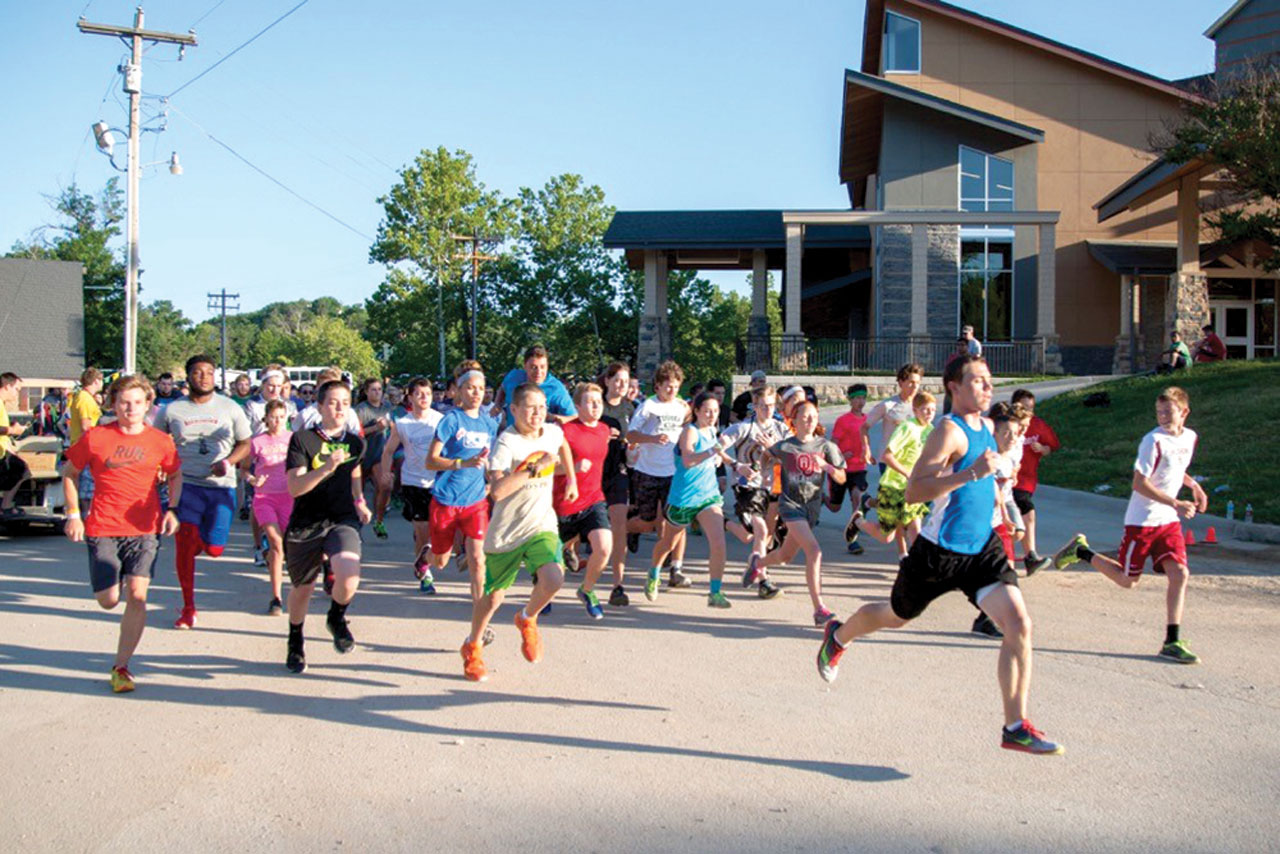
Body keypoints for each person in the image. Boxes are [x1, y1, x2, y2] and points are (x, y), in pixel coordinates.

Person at [815, 354, 1064, 756]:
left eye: (988, 380)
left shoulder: (987, 426)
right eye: (978, 381)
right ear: (955, 387)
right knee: (894, 617)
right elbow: (916, 490)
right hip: (937, 552)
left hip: (982, 548)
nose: (987, 386)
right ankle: (838, 636)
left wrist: (1002, 496)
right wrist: (970, 474)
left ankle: (1015, 725)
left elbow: (994, 474)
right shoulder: (948, 431)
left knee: (1020, 624)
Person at [1051, 386, 1207, 665]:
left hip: (1167, 522)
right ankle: (1081, 551)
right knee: (1127, 580)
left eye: (1168, 412)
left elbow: (1176, 468)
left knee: (1180, 573)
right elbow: (1139, 483)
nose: (1162, 416)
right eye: (1159, 411)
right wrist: (1175, 503)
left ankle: (1172, 640)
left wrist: (1194, 486)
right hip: (1142, 521)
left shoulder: (1190, 437)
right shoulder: (1152, 441)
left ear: (1184, 412)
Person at [62, 375, 183, 693]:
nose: (130, 408)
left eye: (137, 403)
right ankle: (109, 586)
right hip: (103, 527)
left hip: (144, 530)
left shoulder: (160, 440)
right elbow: (70, 473)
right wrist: (74, 515)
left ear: (148, 405)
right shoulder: (97, 437)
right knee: (108, 600)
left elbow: (175, 474)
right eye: (124, 402)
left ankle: (122, 666)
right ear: (113, 404)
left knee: (138, 596)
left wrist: (172, 509)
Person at [461, 382, 575, 682]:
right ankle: (472, 646)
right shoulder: (507, 443)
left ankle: (527, 618)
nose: (537, 414)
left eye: (541, 408)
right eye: (529, 408)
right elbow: (498, 492)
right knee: (493, 599)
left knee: (554, 578)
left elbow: (562, 446)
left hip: (541, 525)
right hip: (506, 532)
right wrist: (536, 469)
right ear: (514, 410)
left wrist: (572, 478)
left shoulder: (551, 432)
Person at [282, 380, 372, 673]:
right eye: (333, 402)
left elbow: (355, 470)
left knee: (348, 576)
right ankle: (295, 639)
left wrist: (359, 500)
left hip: (341, 519)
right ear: (320, 406)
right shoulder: (302, 440)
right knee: (303, 589)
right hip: (306, 522)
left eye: (345, 402)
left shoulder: (356, 442)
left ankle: (336, 616)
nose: (339, 408)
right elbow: (295, 487)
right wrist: (325, 468)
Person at [159, 354, 252, 629]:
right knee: (184, 546)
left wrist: (229, 462)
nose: (204, 377)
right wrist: (162, 466)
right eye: (198, 372)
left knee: (214, 548)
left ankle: (201, 541)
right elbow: (158, 441)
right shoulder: (172, 410)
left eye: (209, 372)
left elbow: (246, 443)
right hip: (186, 485)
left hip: (221, 487)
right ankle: (188, 607)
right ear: (188, 377)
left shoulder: (230, 407)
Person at [749, 400, 846, 623]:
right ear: (794, 420)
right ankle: (819, 608)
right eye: (805, 416)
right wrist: (763, 469)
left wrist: (827, 467)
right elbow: (767, 455)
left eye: (814, 416)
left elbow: (842, 477)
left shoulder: (826, 447)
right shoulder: (786, 446)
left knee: (785, 556)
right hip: (790, 506)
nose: (810, 421)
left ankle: (757, 564)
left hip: (811, 508)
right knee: (814, 551)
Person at [650, 391, 737, 607]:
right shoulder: (690, 431)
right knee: (668, 543)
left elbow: (718, 453)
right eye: (707, 410)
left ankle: (714, 592)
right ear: (696, 411)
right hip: (684, 498)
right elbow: (688, 460)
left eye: (716, 411)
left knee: (718, 541)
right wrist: (714, 450)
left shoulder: (712, 430)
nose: (711, 415)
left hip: (708, 496)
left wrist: (736, 465)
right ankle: (653, 573)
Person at [427, 363, 499, 620]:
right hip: (446, 499)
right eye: (470, 388)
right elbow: (431, 460)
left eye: (481, 388)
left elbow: (487, 460)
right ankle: (425, 556)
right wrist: (461, 463)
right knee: (441, 560)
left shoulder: (489, 424)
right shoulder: (450, 421)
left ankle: (480, 615)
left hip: (476, 501)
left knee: (478, 559)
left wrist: (494, 479)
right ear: (459, 390)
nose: (477, 393)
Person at [626, 360, 693, 598]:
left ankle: (676, 569)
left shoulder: (682, 407)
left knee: (677, 522)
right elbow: (630, 434)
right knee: (648, 523)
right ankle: (624, 529)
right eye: (667, 387)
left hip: (673, 473)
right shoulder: (648, 407)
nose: (672, 391)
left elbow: (688, 424)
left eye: (675, 387)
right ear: (657, 386)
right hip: (647, 471)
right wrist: (652, 439)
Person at [845, 391, 936, 562]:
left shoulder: (930, 430)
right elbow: (887, 456)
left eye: (933, 409)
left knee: (916, 531)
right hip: (893, 486)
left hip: (912, 489)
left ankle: (918, 571)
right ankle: (858, 522)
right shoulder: (907, 427)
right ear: (915, 410)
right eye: (925, 409)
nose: (930, 413)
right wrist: (908, 473)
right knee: (886, 537)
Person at [719, 384, 789, 599]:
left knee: (756, 536)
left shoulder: (781, 429)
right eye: (762, 406)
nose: (767, 410)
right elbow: (717, 446)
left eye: (770, 406)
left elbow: (790, 456)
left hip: (770, 488)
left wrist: (773, 448)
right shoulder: (743, 427)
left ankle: (723, 522)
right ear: (754, 406)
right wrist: (735, 465)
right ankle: (764, 581)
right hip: (747, 487)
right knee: (760, 531)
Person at [970, 401, 1032, 639]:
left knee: (1006, 570)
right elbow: (992, 492)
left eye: (1015, 434)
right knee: (992, 573)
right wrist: (1007, 516)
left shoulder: (1007, 458)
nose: (1012, 438)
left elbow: (1004, 492)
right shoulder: (988, 458)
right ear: (993, 432)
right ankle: (986, 615)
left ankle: (985, 619)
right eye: (1005, 433)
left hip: (997, 523)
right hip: (982, 522)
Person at [555, 383, 614, 620]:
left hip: (593, 500)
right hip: (562, 504)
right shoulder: (564, 433)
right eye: (590, 402)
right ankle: (543, 594)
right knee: (551, 566)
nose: (596, 406)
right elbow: (546, 468)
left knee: (604, 546)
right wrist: (571, 469)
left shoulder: (604, 430)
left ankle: (587, 590)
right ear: (577, 406)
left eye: (599, 402)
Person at [379, 378, 443, 593]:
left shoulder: (441, 420)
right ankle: (425, 575)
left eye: (428, 393)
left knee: (439, 531)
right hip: (414, 482)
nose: (424, 398)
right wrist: (386, 472)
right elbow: (388, 451)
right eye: (419, 394)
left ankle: (423, 555)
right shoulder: (403, 424)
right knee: (423, 530)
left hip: (438, 481)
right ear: (410, 397)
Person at [242, 399, 293, 615]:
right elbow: (244, 469)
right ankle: (276, 598)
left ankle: (291, 584)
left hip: (289, 496)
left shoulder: (293, 439)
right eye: (273, 417)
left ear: (287, 418)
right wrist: (252, 479)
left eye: (281, 417)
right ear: (266, 418)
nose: (277, 421)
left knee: (288, 546)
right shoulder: (257, 442)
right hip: (265, 497)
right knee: (275, 542)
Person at [1010, 389, 1057, 574]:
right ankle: (1029, 556)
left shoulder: (1037, 425)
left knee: (1015, 523)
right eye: (1024, 407)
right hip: (1009, 482)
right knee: (1026, 514)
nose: (1029, 412)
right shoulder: (1006, 426)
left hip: (1027, 481)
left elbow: (1052, 446)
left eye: (1031, 408)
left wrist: (1043, 448)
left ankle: (1024, 556)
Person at [600, 361, 636, 606]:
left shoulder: (630, 408)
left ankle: (617, 586)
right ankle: (568, 550)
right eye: (617, 381)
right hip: (593, 471)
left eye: (625, 381)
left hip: (619, 470)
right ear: (607, 382)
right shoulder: (595, 404)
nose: (621, 386)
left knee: (619, 526)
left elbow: (634, 436)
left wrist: (631, 444)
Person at [492, 345, 578, 426]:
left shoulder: (556, 388)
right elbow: (502, 389)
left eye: (543, 367)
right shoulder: (513, 376)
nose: (539, 372)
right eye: (534, 367)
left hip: (538, 438)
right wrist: (497, 405)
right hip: (512, 435)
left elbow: (573, 417)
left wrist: (552, 417)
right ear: (525, 366)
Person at [828, 383, 869, 553]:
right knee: (835, 507)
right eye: (857, 398)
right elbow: (832, 444)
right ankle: (823, 499)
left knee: (857, 499)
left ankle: (853, 540)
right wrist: (840, 457)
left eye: (863, 398)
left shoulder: (868, 419)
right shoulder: (843, 420)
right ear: (850, 400)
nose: (861, 401)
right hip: (841, 469)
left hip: (859, 468)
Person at [861, 364, 922, 475]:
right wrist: (866, 448)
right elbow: (864, 427)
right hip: (890, 463)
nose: (914, 387)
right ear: (900, 382)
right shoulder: (888, 405)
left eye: (917, 383)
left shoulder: (923, 407)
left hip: (913, 463)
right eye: (911, 382)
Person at [355, 377, 394, 539]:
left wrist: (390, 427)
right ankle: (355, 528)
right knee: (358, 494)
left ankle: (378, 520)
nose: (377, 392)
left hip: (378, 455)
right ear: (366, 392)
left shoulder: (387, 408)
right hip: (361, 456)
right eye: (373, 389)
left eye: (379, 389)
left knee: (385, 485)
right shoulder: (361, 409)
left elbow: (393, 429)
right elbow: (356, 433)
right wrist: (375, 427)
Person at [68, 368, 104, 516]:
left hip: (86, 444)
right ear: (96, 381)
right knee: (87, 484)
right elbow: (85, 425)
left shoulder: (86, 397)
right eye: (101, 380)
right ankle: (86, 514)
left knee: (89, 482)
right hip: (86, 446)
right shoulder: (85, 398)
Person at [0, 373, 32, 517]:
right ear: (7, 386)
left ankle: (5, 505)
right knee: (22, 470)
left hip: (3, 449)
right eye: (17, 389)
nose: (17, 394)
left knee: (21, 470)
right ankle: (5, 506)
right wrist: (14, 430)